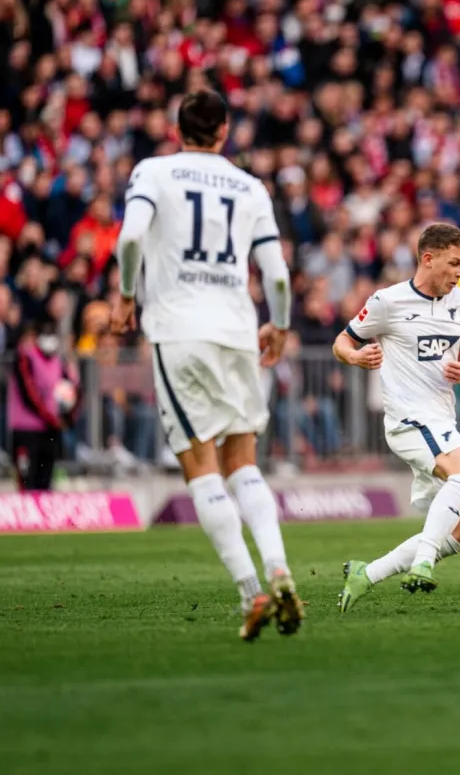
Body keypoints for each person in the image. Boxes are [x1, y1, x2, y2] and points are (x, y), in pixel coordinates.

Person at [110, 89, 301, 642]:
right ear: (224, 131)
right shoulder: (249, 186)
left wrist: (126, 295)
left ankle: (252, 590)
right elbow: (279, 275)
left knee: (199, 465)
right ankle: (281, 568)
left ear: (178, 131)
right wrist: (280, 326)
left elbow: (129, 236)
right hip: (239, 331)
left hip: (180, 330)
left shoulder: (154, 172)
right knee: (244, 461)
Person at [333, 223, 460, 611]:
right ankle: (422, 563)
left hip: (442, 421)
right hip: (409, 420)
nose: (459, 272)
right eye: (453, 263)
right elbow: (343, 341)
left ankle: (367, 574)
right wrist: (355, 356)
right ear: (427, 258)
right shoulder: (387, 301)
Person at [8, 320, 77, 490]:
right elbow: (29, 394)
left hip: (50, 429)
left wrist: (67, 418)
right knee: (26, 479)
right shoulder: (25, 358)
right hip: (26, 428)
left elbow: (72, 390)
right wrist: (50, 417)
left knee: (45, 478)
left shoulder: (60, 362)